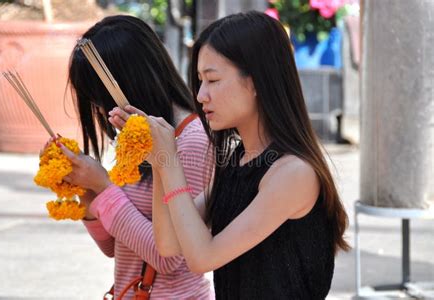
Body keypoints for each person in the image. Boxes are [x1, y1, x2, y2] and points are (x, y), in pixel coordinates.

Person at [110, 11, 350, 299]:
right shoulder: (239, 160)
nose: (200, 95)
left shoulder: (293, 173)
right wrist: (159, 160)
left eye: (212, 80)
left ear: (256, 82)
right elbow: (169, 243)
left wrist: (170, 161)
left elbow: (203, 258)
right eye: (199, 81)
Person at [56, 15, 213, 299]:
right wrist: (87, 192)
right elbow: (115, 248)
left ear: (131, 82)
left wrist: (104, 186)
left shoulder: (192, 142)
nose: (101, 112)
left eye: (101, 100)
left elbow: (168, 258)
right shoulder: (137, 134)